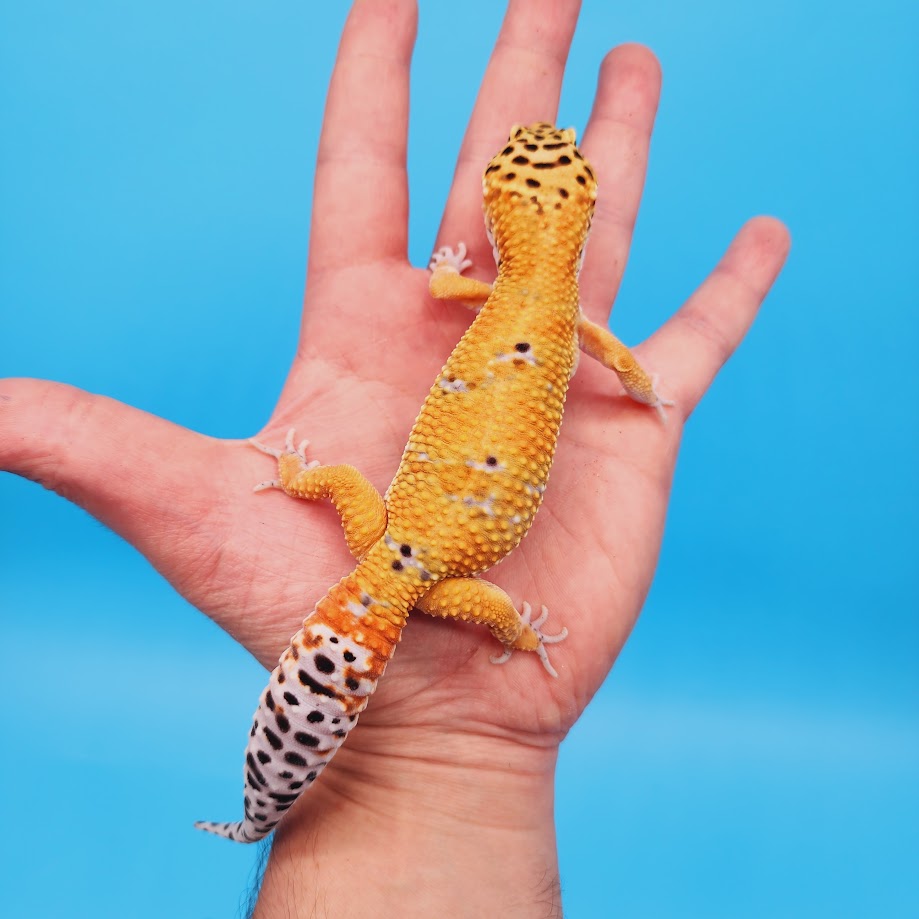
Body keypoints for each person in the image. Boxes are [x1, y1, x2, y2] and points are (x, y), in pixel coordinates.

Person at [0, 0, 789, 915]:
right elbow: (617, 359)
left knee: (342, 496)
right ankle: (481, 662)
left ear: (504, 213)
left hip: (403, 536)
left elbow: (449, 283)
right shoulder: (576, 328)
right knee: (498, 616)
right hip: (433, 560)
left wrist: (302, 476)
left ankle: (266, 797)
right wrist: (640, 393)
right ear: (579, 213)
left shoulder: (482, 293)